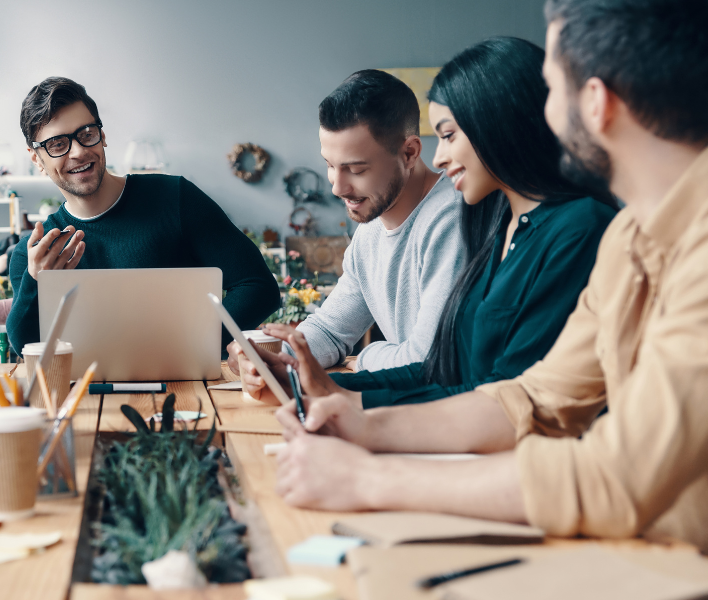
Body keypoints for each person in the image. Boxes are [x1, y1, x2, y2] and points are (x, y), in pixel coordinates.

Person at [265, 0, 708, 552]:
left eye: (553, 89)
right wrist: (360, 423)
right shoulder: (628, 238)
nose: (542, 112)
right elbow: (531, 397)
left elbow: (618, 476)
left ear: (596, 104)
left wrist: (367, 477)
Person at [237, 38, 617, 408]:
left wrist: (361, 373)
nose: (337, 187)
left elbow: (473, 385)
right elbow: (453, 375)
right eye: (329, 166)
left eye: (449, 135)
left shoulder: (498, 220)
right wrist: (294, 372)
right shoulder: (504, 228)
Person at [5, 76, 280, 355]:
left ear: (103, 135)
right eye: (57, 144)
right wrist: (35, 279)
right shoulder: (37, 253)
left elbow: (257, 287)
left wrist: (191, 346)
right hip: (88, 395)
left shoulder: (175, 198)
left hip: (186, 391)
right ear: (37, 159)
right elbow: (24, 346)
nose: (78, 151)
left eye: (87, 133)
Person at [229, 70, 466, 381]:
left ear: (409, 153)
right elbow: (330, 329)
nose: (337, 188)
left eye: (355, 169)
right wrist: (276, 359)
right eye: (329, 165)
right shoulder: (370, 228)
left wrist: (366, 357)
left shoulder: (451, 220)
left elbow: (430, 362)